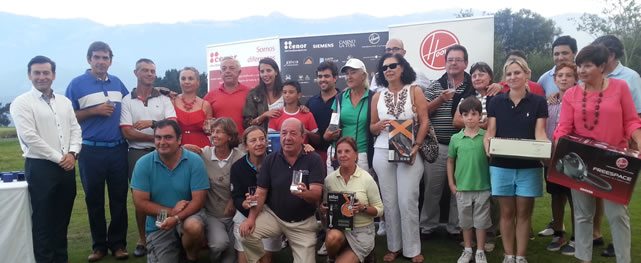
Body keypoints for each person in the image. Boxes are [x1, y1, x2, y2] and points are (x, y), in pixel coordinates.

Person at [554, 44, 641, 263]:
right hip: (581, 160)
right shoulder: (572, 94)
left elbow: (631, 121)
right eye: (580, 65)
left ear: (602, 66)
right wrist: (558, 145)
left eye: (588, 65)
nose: (581, 70)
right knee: (582, 215)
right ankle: (583, 258)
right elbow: (563, 127)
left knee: (618, 215)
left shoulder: (620, 87)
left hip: (614, 162)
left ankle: (624, 259)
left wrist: (639, 140)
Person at [10, 55, 82, 263]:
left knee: (62, 222)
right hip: (41, 167)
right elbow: (30, 137)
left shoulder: (64, 102)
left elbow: (76, 130)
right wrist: (61, 157)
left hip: (67, 167)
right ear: (29, 75)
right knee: (43, 223)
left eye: (46, 73)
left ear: (53, 75)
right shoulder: (22, 103)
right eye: (37, 73)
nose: (42, 77)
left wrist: (73, 153)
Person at [65, 41, 130, 261]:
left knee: (119, 199)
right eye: (97, 57)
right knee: (94, 199)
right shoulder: (77, 84)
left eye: (105, 58)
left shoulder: (118, 83)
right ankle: (99, 246)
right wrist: (94, 111)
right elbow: (67, 116)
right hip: (91, 151)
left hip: (118, 150)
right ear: (89, 59)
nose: (101, 61)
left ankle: (118, 244)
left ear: (110, 60)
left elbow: (131, 106)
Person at [484, 57, 549, 263]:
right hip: (501, 165)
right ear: (505, 78)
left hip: (529, 167)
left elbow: (540, 133)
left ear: (527, 74)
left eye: (517, 72)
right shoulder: (496, 102)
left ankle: (520, 256)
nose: (513, 77)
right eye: (509, 74)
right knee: (506, 212)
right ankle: (508, 255)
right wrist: (488, 144)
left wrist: (545, 148)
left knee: (523, 214)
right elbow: (491, 132)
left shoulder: (539, 102)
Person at [370, 53, 429, 263]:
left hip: (408, 149)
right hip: (383, 150)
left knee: (407, 200)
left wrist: (417, 145)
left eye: (393, 65)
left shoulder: (415, 91)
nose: (388, 70)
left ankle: (413, 249)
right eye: (384, 68)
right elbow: (372, 127)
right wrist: (377, 127)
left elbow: (424, 121)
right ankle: (394, 247)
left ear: (402, 68)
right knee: (390, 202)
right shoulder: (377, 95)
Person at [240, 118, 325, 263]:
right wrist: (251, 219)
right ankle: (261, 259)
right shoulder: (270, 159)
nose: (287, 138)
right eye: (284, 133)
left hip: (302, 223)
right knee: (245, 233)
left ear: (302, 136)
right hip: (275, 217)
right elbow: (261, 193)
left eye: (293, 133)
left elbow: (316, 194)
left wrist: (304, 193)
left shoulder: (313, 159)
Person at [120, 58, 177, 257]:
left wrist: (152, 123)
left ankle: (162, 233)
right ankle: (143, 239)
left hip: (163, 153)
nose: (150, 74)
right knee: (141, 198)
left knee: (161, 194)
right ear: (136, 73)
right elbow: (128, 132)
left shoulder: (163, 99)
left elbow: (173, 123)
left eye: (153, 71)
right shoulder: (127, 100)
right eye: (145, 70)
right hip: (137, 153)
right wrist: (159, 138)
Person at [130, 119, 209, 263]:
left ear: (179, 139)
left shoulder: (194, 161)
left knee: (194, 227)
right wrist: (171, 212)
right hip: (159, 220)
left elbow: (199, 200)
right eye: (158, 137)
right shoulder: (143, 163)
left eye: (168, 137)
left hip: (188, 215)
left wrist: (177, 217)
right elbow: (140, 203)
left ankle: (190, 257)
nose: (162, 142)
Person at [184, 117, 243, 262]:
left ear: (230, 136)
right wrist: (184, 147)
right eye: (212, 132)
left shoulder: (240, 157)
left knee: (229, 260)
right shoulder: (203, 154)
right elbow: (177, 155)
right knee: (218, 245)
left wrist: (233, 199)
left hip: (234, 215)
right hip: (212, 214)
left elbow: (245, 183)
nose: (214, 135)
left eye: (219, 132)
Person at [536, 36, 578, 239]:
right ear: (554, 79)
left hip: (574, 158)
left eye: (568, 76)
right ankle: (558, 231)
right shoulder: (549, 102)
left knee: (575, 198)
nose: (563, 78)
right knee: (556, 194)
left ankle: (578, 237)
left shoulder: (580, 101)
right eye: (559, 76)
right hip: (551, 156)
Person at [321, 136, 384, 263]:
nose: (342, 155)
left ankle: (367, 253)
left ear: (356, 155)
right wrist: (323, 209)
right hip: (339, 229)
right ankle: (332, 257)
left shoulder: (366, 179)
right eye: (339, 152)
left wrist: (363, 208)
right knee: (332, 237)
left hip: (361, 231)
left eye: (347, 151)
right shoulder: (329, 180)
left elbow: (380, 210)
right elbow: (325, 208)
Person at [447, 97, 491, 263]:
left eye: (474, 114)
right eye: (466, 114)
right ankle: (467, 249)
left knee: (481, 222)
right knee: (465, 222)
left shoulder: (486, 137)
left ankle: (480, 250)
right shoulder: (455, 139)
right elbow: (450, 161)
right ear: (462, 116)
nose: (470, 117)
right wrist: (452, 184)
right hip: (462, 188)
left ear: (480, 116)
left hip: (482, 187)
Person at [230, 126, 283, 263]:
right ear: (246, 146)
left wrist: (306, 146)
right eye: (253, 140)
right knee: (244, 260)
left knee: (265, 259)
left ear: (266, 142)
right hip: (245, 213)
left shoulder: (277, 162)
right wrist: (244, 203)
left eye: (261, 139)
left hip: (269, 214)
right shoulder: (238, 167)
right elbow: (236, 196)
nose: (259, 143)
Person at [323, 58, 375, 173]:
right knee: (337, 190)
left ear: (363, 76)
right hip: (341, 154)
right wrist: (328, 134)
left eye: (353, 72)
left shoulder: (373, 98)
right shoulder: (340, 98)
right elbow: (332, 127)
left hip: (362, 155)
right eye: (347, 74)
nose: (349, 77)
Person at [593, 34, 641, 115]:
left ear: (611, 55)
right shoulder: (590, 75)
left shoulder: (631, 77)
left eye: (597, 54)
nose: (593, 57)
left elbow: (638, 112)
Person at [205, 57, 250, 134]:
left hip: (244, 142)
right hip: (219, 143)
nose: (227, 71)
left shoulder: (250, 93)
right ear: (220, 73)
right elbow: (205, 121)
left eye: (231, 68)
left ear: (239, 72)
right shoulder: (211, 95)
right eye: (224, 69)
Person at [305, 60, 340, 164]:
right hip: (314, 155)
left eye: (326, 76)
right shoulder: (311, 102)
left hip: (337, 154)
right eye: (320, 76)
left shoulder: (343, 99)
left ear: (335, 78)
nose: (322, 79)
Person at [173, 66, 213, 147]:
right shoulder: (172, 101)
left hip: (201, 147)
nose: (186, 82)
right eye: (183, 79)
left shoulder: (205, 105)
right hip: (177, 146)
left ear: (198, 82)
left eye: (190, 78)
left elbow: (210, 131)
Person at [243, 57, 284, 130]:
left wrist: (303, 109)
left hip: (286, 137)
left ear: (276, 72)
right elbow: (247, 124)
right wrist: (264, 116)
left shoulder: (286, 90)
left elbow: (296, 112)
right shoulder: (254, 94)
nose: (265, 74)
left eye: (268, 70)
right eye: (262, 71)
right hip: (262, 139)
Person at [453, 62, 495, 130]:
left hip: (493, 139)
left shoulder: (498, 96)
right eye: (474, 76)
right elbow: (456, 121)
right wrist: (482, 125)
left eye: (481, 75)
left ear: (490, 77)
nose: (477, 78)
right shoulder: (466, 97)